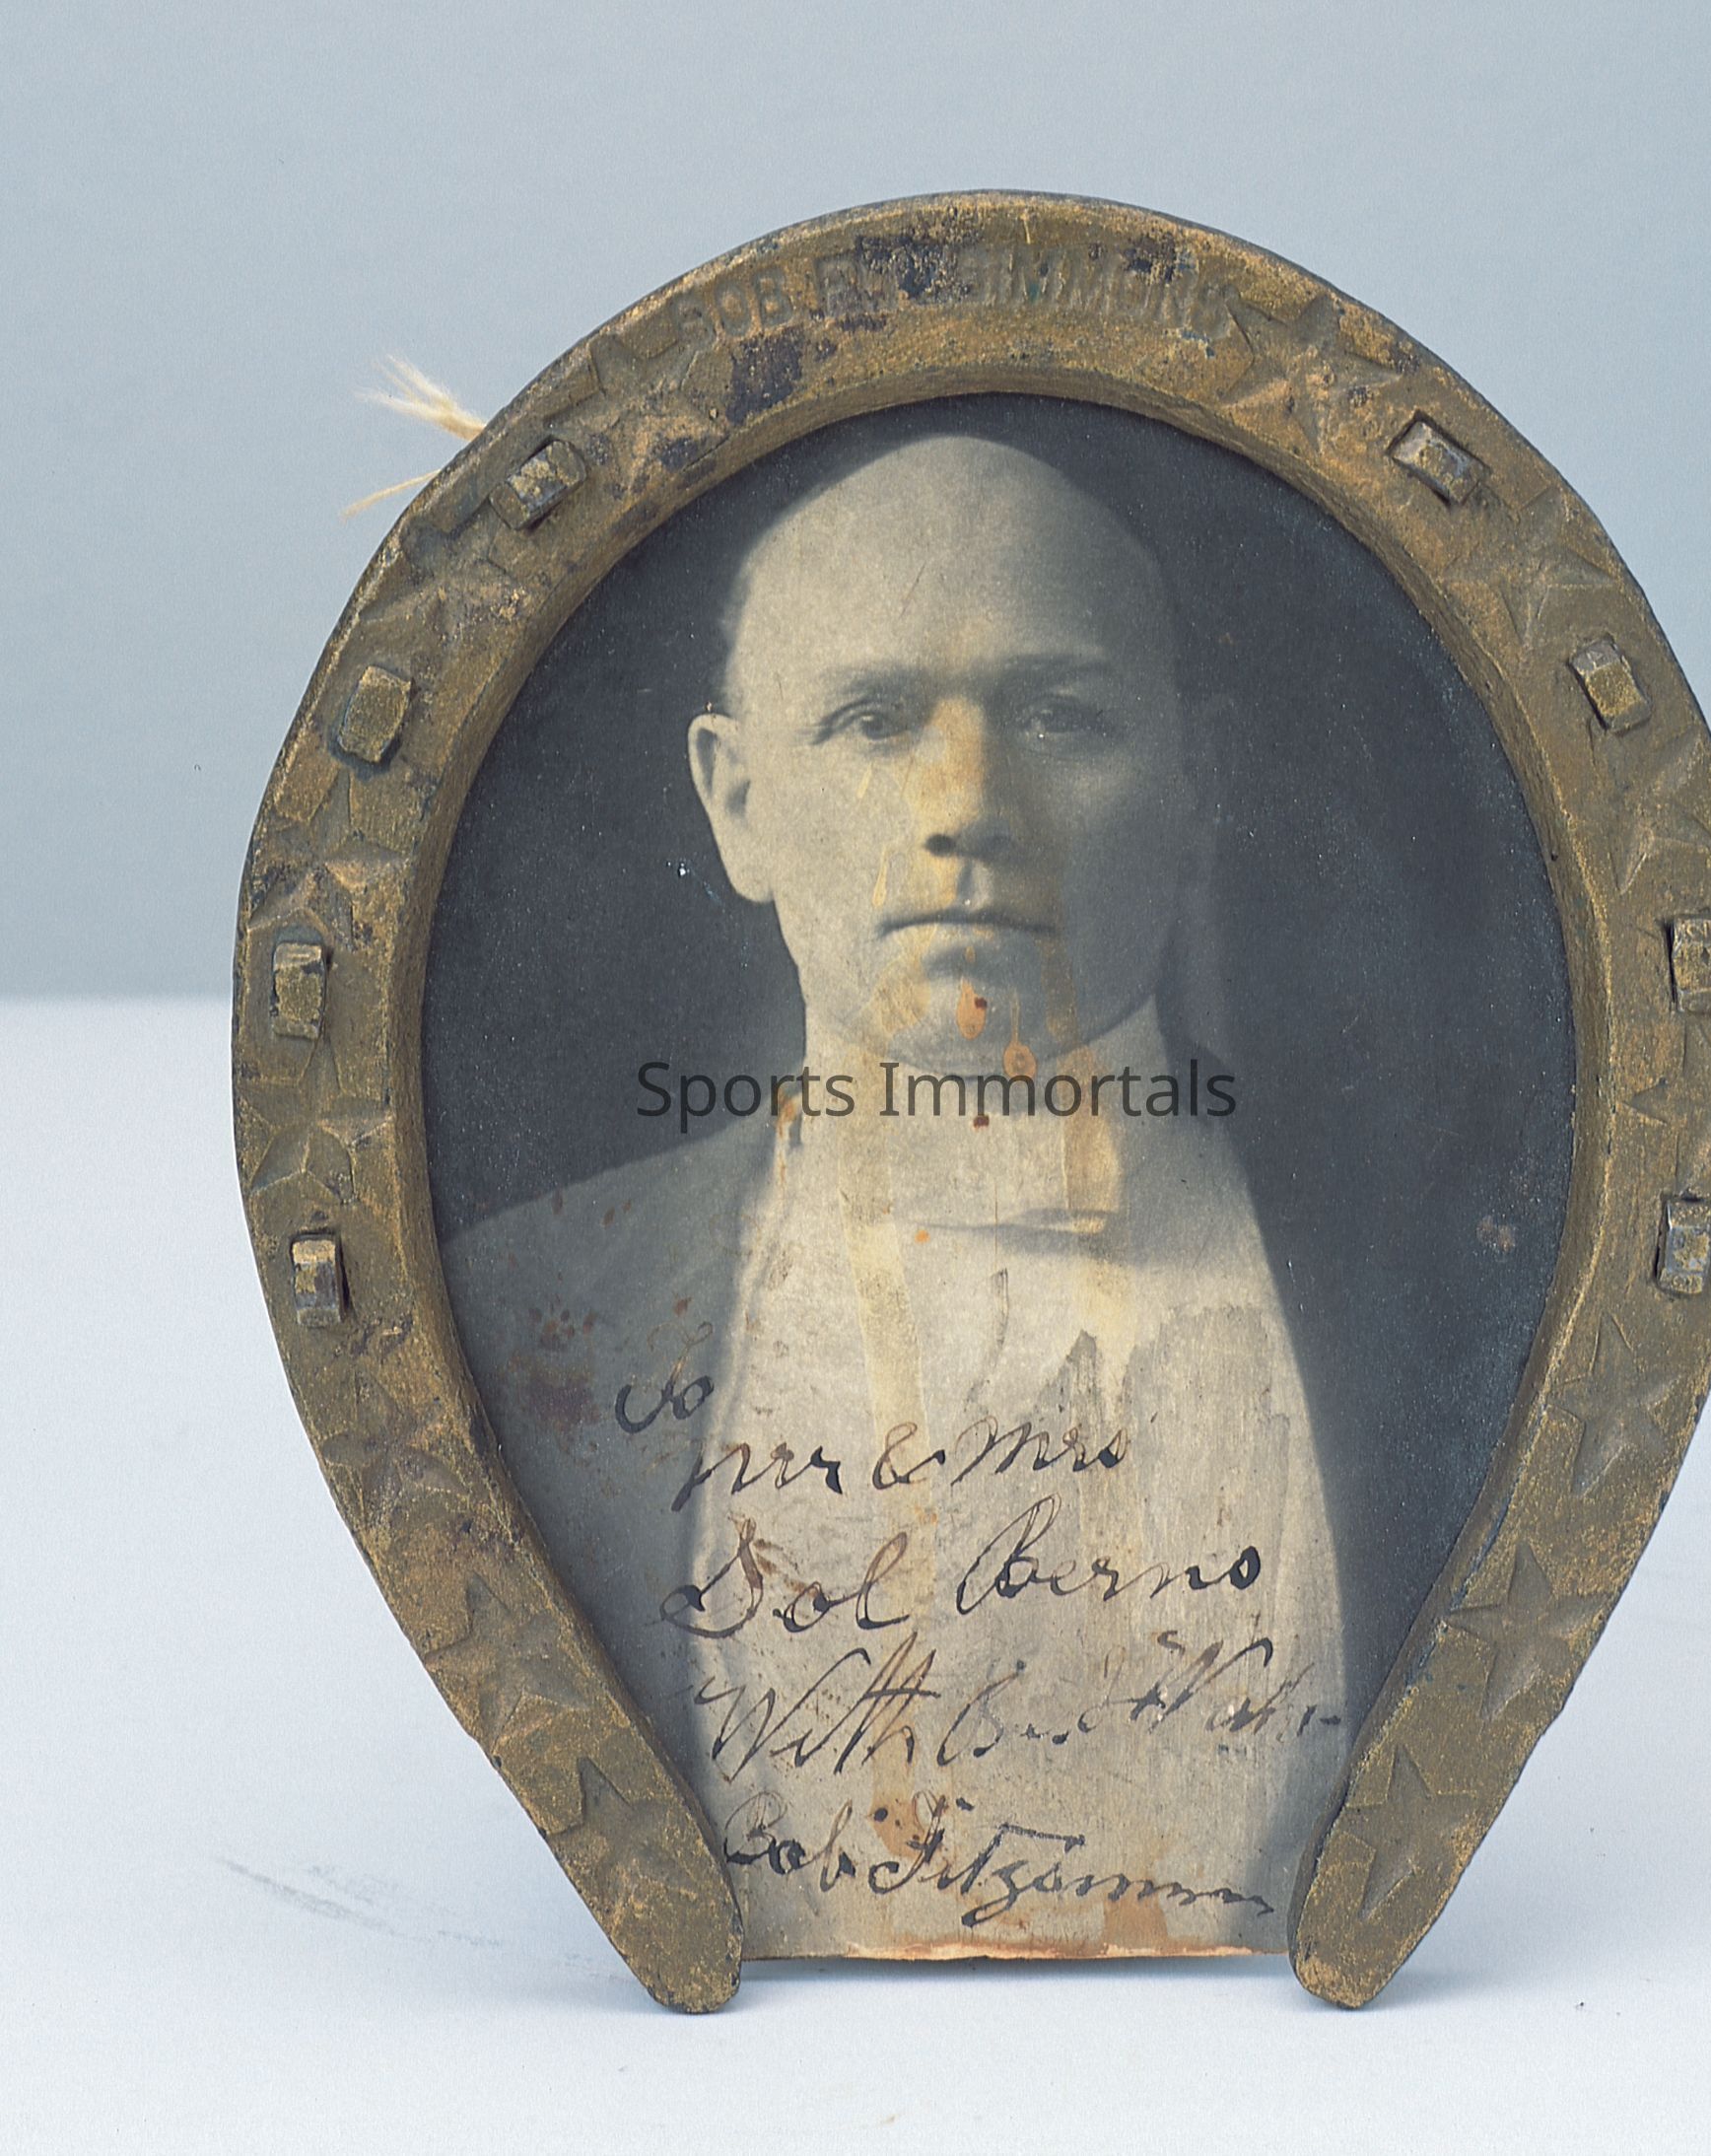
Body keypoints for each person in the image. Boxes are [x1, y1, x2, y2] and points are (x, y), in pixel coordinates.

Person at [443, 429, 1352, 1958]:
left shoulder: (1424, 1285)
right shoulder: (524, 1304)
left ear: (1197, 783)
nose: (965, 805)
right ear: (738, 804)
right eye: (873, 721)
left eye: (1060, 716)